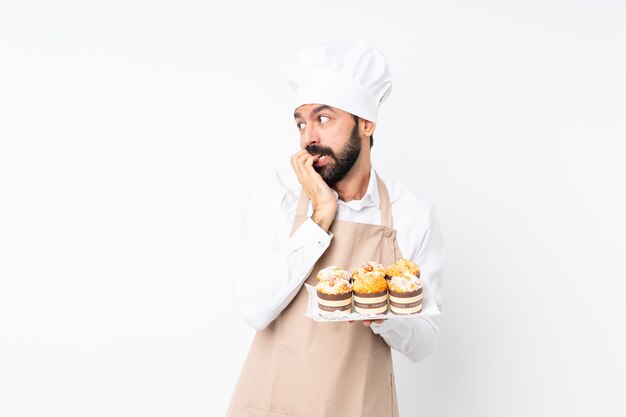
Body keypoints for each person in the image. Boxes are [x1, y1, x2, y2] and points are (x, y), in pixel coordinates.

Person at [226, 40, 444, 417]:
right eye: (301, 122)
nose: (308, 137)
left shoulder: (411, 214)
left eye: (323, 119)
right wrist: (320, 216)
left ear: (367, 122)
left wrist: (383, 315)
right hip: (272, 403)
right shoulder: (275, 195)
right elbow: (255, 309)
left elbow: (424, 343)